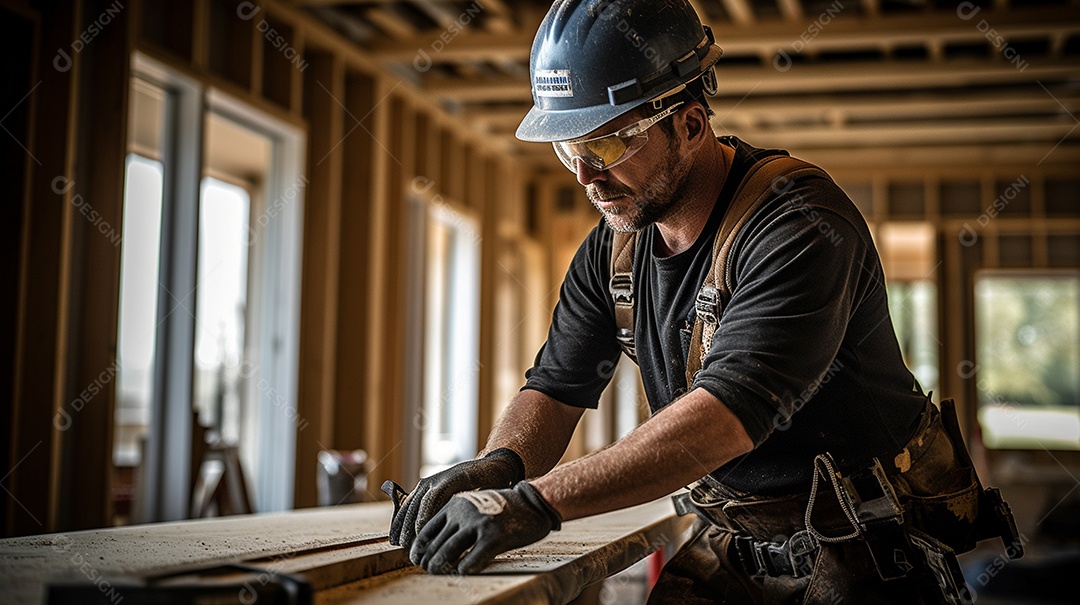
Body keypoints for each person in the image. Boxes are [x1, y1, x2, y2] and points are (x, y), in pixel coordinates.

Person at [388, 1, 1018, 602]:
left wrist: (536, 502)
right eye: (567, 151)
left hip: (870, 550)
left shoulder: (798, 226)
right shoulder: (614, 252)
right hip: (734, 543)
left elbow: (728, 415)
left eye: (604, 146)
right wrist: (500, 467)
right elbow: (557, 385)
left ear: (689, 125)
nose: (584, 177)